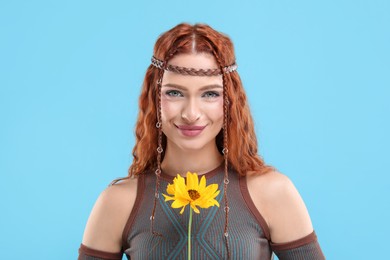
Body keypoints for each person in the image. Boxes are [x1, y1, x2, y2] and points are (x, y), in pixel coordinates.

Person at [78, 23, 325, 259]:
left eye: (210, 94)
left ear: (230, 101)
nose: (191, 113)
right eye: (174, 93)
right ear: (154, 99)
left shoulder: (273, 193)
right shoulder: (116, 202)